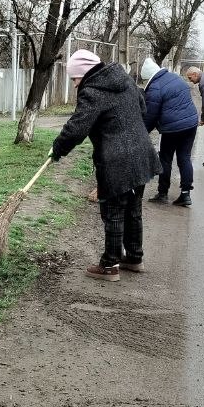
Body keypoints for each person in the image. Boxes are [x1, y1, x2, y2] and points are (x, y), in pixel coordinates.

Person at [50, 50, 161, 282]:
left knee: (113, 211)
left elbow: (78, 127)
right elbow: (142, 109)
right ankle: (134, 257)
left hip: (117, 160)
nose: (74, 85)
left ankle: (110, 265)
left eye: (74, 79)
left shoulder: (92, 91)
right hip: (141, 154)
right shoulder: (126, 80)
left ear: (85, 73)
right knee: (133, 209)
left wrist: (58, 148)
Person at [140, 56, 199, 208]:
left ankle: (162, 193)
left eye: (146, 80)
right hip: (191, 123)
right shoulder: (175, 77)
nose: (147, 83)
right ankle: (186, 194)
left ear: (150, 77)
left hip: (172, 129)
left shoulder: (155, 88)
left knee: (165, 158)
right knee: (184, 158)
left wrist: (140, 133)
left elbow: (150, 117)